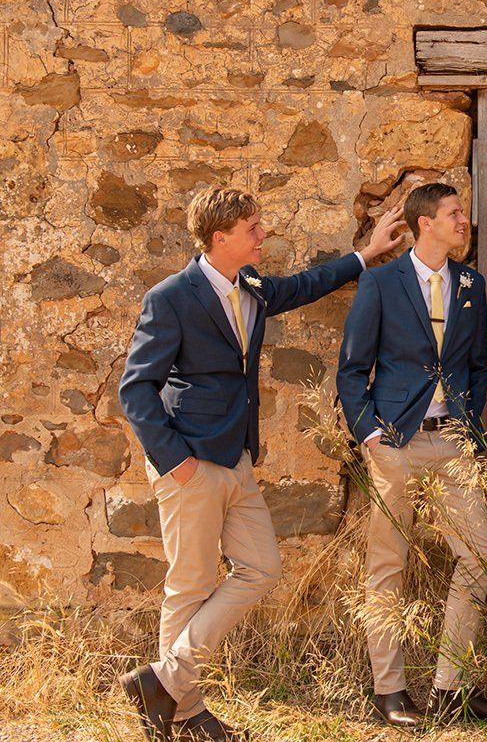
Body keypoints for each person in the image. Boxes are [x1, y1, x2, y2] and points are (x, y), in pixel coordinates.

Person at [118, 186, 403, 742]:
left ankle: (164, 682)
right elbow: (136, 390)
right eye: (253, 228)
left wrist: (364, 255)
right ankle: (183, 712)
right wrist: (175, 462)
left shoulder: (250, 285)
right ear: (219, 238)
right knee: (191, 583)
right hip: (190, 462)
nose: (262, 234)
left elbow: (302, 286)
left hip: (236, 457)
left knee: (261, 568)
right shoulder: (171, 297)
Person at [337, 183, 487, 726]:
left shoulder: (471, 283)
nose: (464, 221)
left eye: (461, 212)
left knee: (480, 553)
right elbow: (351, 369)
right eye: (454, 214)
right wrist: (370, 433)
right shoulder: (382, 283)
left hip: (454, 442)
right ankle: (389, 689)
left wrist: (468, 419)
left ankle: (449, 685)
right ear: (424, 224)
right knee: (387, 563)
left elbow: (480, 362)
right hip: (396, 443)